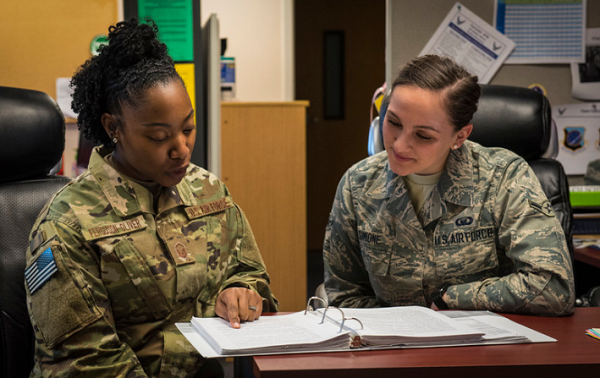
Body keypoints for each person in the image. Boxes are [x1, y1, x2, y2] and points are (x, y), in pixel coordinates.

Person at [25, 18, 278, 377]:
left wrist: (242, 290)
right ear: (114, 128)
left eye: (188, 128)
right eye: (160, 137)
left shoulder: (208, 191)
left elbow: (250, 271)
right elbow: (87, 363)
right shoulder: (67, 224)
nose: (182, 149)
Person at [323, 54, 574, 316]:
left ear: (460, 136)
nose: (398, 145)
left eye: (423, 135)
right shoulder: (358, 185)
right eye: (393, 122)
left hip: (485, 347)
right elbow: (344, 295)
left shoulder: (504, 178)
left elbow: (553, 288)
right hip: (391, 349)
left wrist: (453, 298)